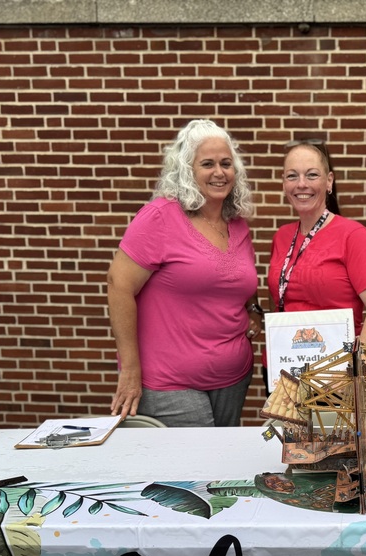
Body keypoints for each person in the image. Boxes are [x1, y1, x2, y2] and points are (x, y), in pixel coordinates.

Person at [107, 119, 262, 427]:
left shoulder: (237, 223)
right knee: (198, 471)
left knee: (221, 470)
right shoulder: (160, 217)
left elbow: (238, 279)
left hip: (233, 378)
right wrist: (130, 369)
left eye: (226, 163)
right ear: (186, 170)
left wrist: (253, 309)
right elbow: (118, 285)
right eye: (207, 164)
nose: (219, 172)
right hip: (169, 382)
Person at [267, 139, 366, 345]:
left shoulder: (353, 235)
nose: (301, 184)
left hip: (335, 370)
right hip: (282, 367)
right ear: (284, 183)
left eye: (312, 175)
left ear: (329, 181)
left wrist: (356, 367)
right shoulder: (281, 236)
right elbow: (277, 296)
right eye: (292, 176)